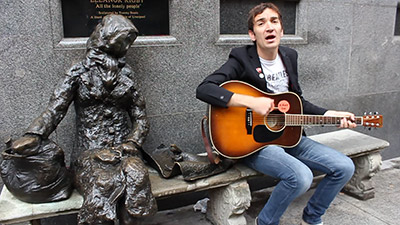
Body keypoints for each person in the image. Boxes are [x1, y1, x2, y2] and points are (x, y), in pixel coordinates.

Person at [196, 3, 356, 225]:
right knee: (300, 177)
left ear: (282, 29)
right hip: (253, 143)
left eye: (274, 21)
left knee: (345, 167)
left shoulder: (289, 56)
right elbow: (204, 89)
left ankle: (313, 217)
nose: (269, 27)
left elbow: (297, 102)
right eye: (261, 23)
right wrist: (251, 102)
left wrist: (332, 114)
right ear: (252, 34)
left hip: (288, 137)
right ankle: (265, 222)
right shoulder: (241, 58)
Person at [9, 14, 157, 225]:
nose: (125, 47)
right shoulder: (78, 72)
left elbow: (141, 118)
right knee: (103, 183)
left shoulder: (127, 76)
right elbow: (55, 108)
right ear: (106, 39)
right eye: (122, 41)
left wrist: (132, 142)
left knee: (137, 177)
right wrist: (34, 134)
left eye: (128, 43)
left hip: (123, 151)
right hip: (89, 151)